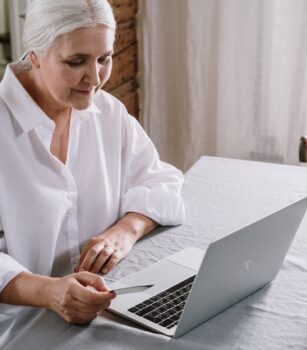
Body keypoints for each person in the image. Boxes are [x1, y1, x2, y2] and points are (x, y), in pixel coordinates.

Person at [0, 0, 185, 333]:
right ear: (35, 56)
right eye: (76, 61)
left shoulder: (108, 113)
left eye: (105, 58)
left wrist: (124, 231)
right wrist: (48, 292)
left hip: (104, 309)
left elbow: (164, 183)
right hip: (19, 326)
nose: (95, 78)